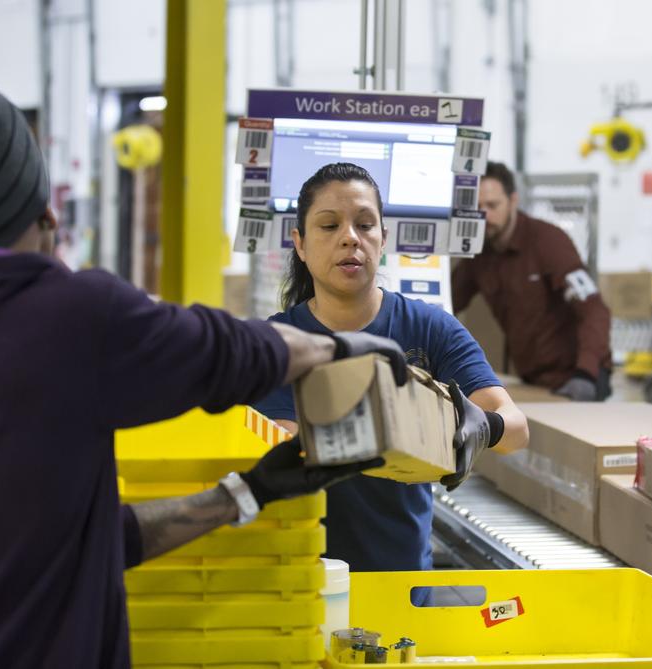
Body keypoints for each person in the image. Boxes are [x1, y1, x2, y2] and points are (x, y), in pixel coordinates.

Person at [0, 81, 408, 669]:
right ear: (44, 210)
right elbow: (226, 351)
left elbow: (85, 542)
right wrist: (332, 349)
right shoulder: (66, 317)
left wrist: (246, 494)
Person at [252, 162, 530, 581]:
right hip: (301, 581)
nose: (350, 238)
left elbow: (517, 430)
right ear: (301, 244)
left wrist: (484, 426)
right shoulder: (279, 341)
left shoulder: (429, 328)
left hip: (400, 579)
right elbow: (283, 445)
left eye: (365, 225)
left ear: (383, 239)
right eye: (329, 226)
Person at [452, 161, 613, 401]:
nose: (484, 215)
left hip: (578, 379)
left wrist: (585, 373)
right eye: (477, 207)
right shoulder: (479, 255)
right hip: (534, 381)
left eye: (493, 205)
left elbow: (594, 309)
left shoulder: (548, 242)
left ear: (513, 201)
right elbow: (447, 300)